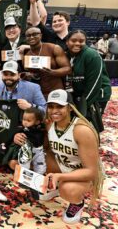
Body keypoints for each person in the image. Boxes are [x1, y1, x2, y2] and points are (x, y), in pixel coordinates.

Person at [43, 89, 104, 224]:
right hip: (65, 165)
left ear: (70, 107)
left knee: (68, 190)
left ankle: (77, 203)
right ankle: (57, 186)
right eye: (51, 106)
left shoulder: (81, 130)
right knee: (37, 159)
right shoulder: (50, 124)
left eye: (59, 106)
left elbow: (91, 172)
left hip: (85, 173)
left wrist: (59, 176)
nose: (54, 110)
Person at [65, 30, 111, 132]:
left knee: (89, 123)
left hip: (97, 94)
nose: (77, 43)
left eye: (81, 41)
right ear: (67, 41)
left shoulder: (92, 55)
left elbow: (94, 84)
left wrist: (83, 105)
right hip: (80, 93)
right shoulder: (65, 55)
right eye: (73, 40)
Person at [23, 26, 72, 98]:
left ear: (41, 35)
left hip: (56, 90)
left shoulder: (54, 48)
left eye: (35, 34)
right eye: (28, 35)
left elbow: (68, 69)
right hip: (39, 93)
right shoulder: (27, 56)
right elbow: (33, 74)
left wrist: (52, 72)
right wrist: (29, 75)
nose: (31, 37)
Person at [3, 107, 46, 174]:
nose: (25, 122)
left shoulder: (40, 130)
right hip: (25, 152)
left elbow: (38, 141)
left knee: (40, 168)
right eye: (24, 119)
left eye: (28, 120)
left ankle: (38, 176)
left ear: (37, 122)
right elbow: (13, 136)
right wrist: (5, 144)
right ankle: (23, 175)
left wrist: (27, 136)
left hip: (37, 152)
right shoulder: (22, 128)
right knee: (21, 165)